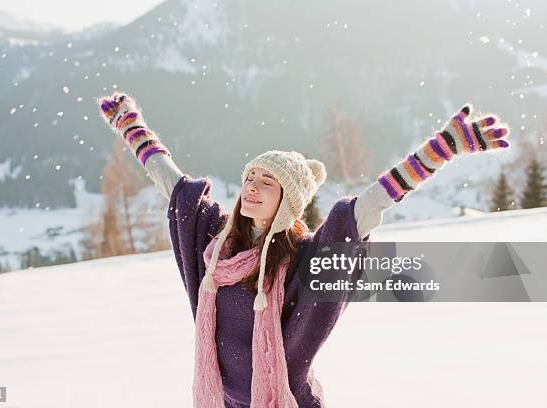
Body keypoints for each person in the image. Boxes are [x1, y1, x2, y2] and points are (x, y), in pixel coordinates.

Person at [99, 93, 510, 407]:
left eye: (268, 182)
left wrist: (440, 149)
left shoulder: (302, 261)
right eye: (251, 177)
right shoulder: (215, 245)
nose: (252, 188)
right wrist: (132, 127)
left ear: (287, 202)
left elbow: (366, 208)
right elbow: (173, 185)